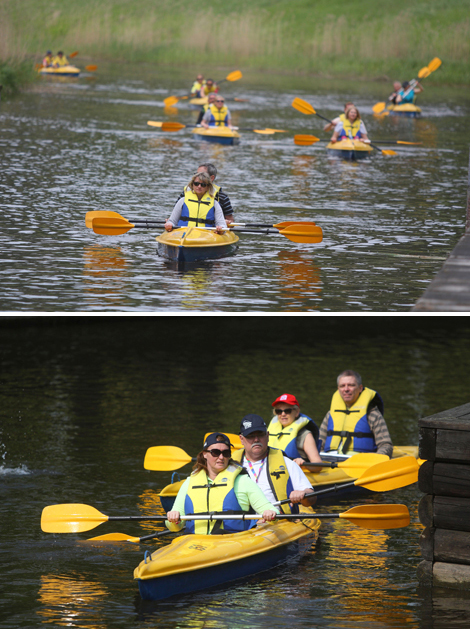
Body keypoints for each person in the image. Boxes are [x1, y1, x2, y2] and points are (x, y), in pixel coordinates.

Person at [166, 432, 278, 534]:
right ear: (205, 454)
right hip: (194, 543)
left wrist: (270, 514)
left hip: (232, 543)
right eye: (215, 452)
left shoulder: (243, 481)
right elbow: (174, 528)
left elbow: (273, 512)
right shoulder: (189, 482)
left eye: (225, 453)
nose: (221, 457)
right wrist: (173, 519)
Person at [233, 415, 316, 514]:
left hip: (276, 520)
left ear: (267, 436)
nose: (256, 440)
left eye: (260, 434)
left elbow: (311, 498)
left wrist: (303, 494)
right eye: (250, 436)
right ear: (241, 439)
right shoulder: (230, 465)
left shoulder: (286, 463)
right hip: (242, 523)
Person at [319, 370, 393, 458]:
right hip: (329, 461)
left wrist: (376, 457)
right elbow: (319, 443)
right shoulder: (330, 414)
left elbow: (386, 445)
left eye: (351, 385)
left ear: (360, 388)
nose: (346, 389)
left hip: (359, 462)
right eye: (342, 386)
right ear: (338, 389)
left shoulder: (372, 414)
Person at [267, 394, 322, 467]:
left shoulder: (305, 435)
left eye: (287, 411)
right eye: (279, 411)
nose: (283, 414)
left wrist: (303, 463)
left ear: (297, 412)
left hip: (295, 474)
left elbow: (318, 464)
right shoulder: (269, 431)